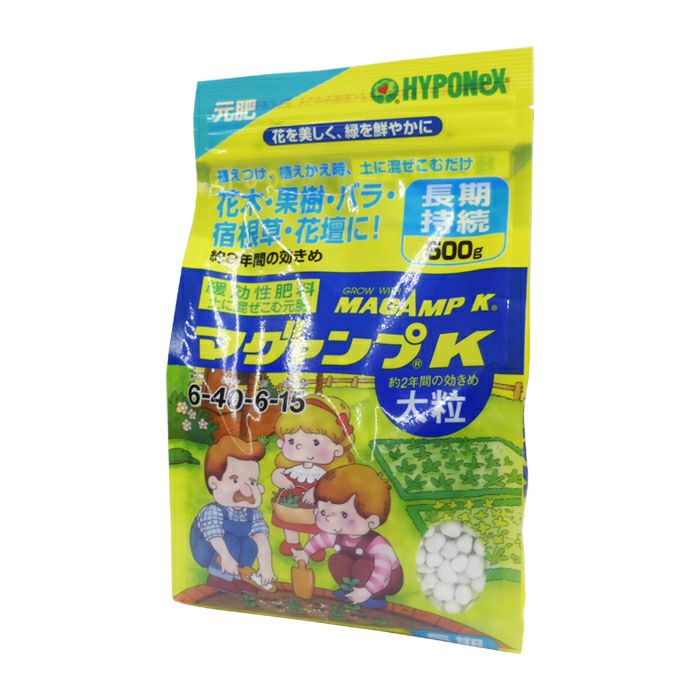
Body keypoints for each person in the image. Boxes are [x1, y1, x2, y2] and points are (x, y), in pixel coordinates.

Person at [293, 464, 403, 608]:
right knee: (337, 560)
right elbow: (320, 540)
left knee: (363, 566)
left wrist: (367, 591)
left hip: (385, 580)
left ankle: (376, 598)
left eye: (344, 514)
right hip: (358, 571)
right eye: (323, 512)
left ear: (371, 521)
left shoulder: (378, 545)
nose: (329, 518)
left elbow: (382, 571)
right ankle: (348, 588)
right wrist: (305, 552)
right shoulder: (339, 535)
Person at [271, 394, 354, 558]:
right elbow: (277, 474)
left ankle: (314, 545)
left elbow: (328, 488)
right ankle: (291, 542)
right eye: (292, 441)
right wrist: (281, 479)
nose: (300, 447)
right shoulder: (292, 470)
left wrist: (315, 492)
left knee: (315, 525)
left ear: (337, 450)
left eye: (316, 442)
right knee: (289, 524)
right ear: (281, 443)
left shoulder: (324, 475)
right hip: (289, 506)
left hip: (314, 507)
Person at [190, 436, 275, 593]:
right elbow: (215, 536)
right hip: (208, 549)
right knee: (231, 541)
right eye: (235, 480)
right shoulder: (213, 511)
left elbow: (261, 538)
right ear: (214, 483)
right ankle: (219, 576)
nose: (246, 490)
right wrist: (226, 558)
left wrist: (266, 566)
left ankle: (240, 577)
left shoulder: (252, 513)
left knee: (249, 544)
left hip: (231, 547)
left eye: (252, 482)